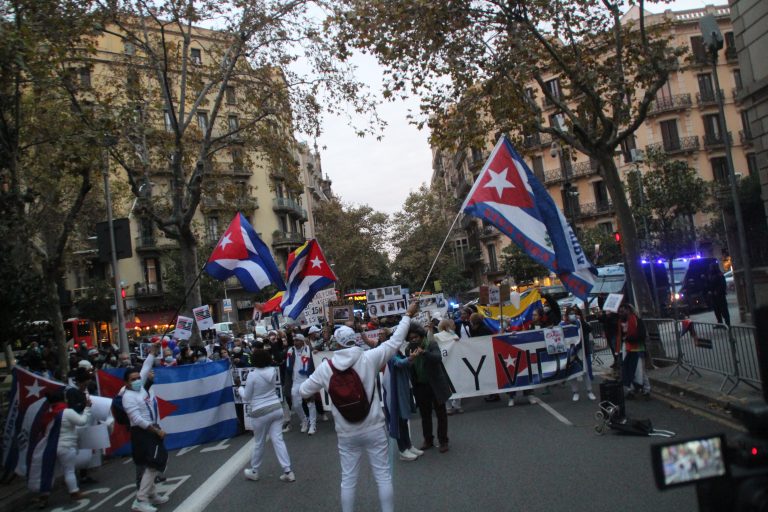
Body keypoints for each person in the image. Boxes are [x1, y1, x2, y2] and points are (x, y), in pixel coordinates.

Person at [299, 302, 418, 512]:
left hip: (346, 433)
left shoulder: (326, 368)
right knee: (382, 475)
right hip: (374, 427)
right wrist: (407, 315)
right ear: (354, 340)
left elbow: (303, 391)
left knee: (348, 479)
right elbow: (395, 340)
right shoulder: (368, 358)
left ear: (336, 343)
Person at [122, 343, 169, 512]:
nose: (136, 381)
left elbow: (146, 366)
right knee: (154, 464)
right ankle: (140, 500)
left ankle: (152, 494)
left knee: (155, 462)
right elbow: (137, 419)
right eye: (132, 379)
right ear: (126, 383)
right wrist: (156, 430)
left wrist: (153, 352)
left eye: (137, 378)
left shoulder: (140, 388)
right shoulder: (127, 397)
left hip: (150, 430)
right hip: (142, 432)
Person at [239, 347, 295, 482]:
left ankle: (254, 470)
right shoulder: (272, 371)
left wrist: (240, 388)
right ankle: (288, 471)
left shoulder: (252, 375)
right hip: (276, 408)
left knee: (259, 442)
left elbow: (246, 397)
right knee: (278, 439)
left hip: (259, 411)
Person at [406, 319, 452, 453]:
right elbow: (408, 367)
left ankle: (443, 441)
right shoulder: (409, 349)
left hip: (435, 384)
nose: (413, 340)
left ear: (421, 336)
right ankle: (428, 440)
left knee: (441, 414)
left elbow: (438, 358)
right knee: (425, 415)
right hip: (420, 386)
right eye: (410, 338)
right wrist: (410, 360)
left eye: (415, 337)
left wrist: (424, 353)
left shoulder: (431, 344)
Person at [380, 328, 423, 461]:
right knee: (399, 421)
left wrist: (411, 358)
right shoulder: (389, 353)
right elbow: (399, 364)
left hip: (402, 389)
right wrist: (411, 357)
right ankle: (402, 450)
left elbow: (405, 364)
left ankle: (408, 446)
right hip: (395, 392)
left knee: (404, 420)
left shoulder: (396, 351)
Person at [54, 388, 92, 502]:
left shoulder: (50, 413)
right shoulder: (66, 412)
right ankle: (74, 491)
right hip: (67, 445)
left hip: (53, 445)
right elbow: (82, 421)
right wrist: (87, 408)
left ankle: (43, 496)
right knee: (69, 470)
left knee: (55, 471)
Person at [284, 334, 317, 435]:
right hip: (295, 381)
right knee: (296, 404)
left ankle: (312, 425)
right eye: (294, 340)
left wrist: (316, 353)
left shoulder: (309, 350)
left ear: (303, 341)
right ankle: (304, 421)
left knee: (310, 403)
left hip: (307, 380)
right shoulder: (290, 351)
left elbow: (317, 357)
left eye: (298, 340)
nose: (296, 342)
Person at [564, 306, 596, 401]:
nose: (572, 315)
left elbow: (589, 329)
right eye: (570, 313)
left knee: (585, 371)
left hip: (582, 350)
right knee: (572, 372)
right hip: (570, 352)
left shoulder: (581, 323)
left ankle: (589, 391)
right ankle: (575, 392)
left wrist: (581, 321)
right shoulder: (564, 324)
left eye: (574, 313)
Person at [618, 304, 650, 399]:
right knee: (628, 370)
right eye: (620, 312)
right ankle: (630, 390)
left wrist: (628, 337)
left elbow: (641, 335)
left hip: (637, 348)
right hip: (626, 348)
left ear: (629, 311)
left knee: (640, 370)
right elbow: (620, 337)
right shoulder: (620, 323)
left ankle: (646, 389)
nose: (621, 313)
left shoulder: (637, 320)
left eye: (623, 311)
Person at [434, 319, 463, 414]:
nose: (454, 326)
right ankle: (456, 405)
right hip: (451, 363)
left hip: (445, 364)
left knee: (445, 385)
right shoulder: (439, 336)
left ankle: (449, 407)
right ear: (447, 326)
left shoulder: (453, 336)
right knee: (456, 383)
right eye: (452, 324)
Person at [707, 262, 730, 327]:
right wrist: (710, 291)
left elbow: (723, 285)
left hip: (720, 296)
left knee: (724, 310)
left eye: (711, 268)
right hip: (714, 297)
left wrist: (717, 291)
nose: (710, 269)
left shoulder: (720, 275)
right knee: (717, 311)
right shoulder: (711, 276)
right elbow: (710, 285)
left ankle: (728, 324)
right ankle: (720, 323)